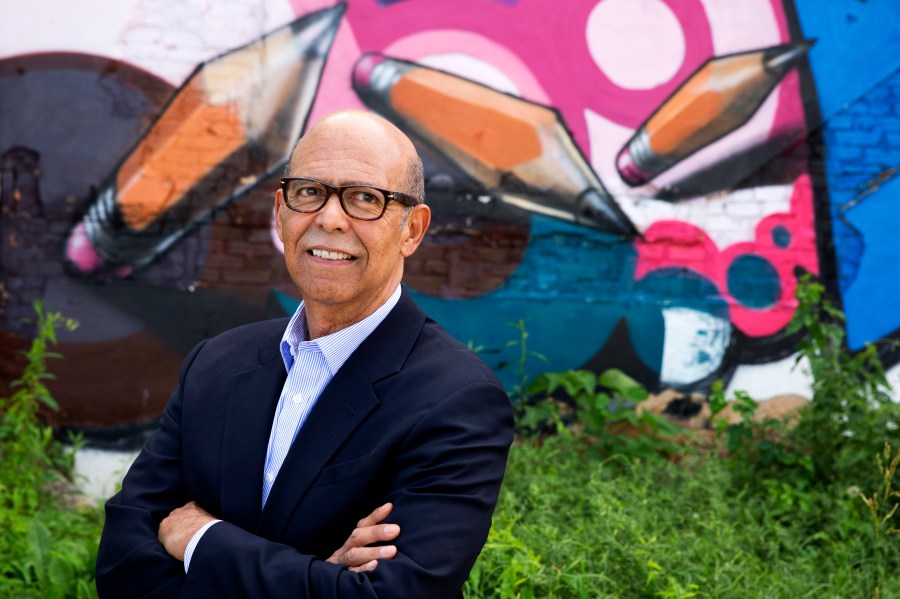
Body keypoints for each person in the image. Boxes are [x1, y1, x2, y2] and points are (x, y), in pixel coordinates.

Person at [95, 110, 514, 598]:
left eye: (365, 199)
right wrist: (320, 575)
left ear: (412, 230)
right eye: (309, 192)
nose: (330, 219)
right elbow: (122, 564)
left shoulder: (457, 400)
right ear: (281, 211)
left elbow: (393, 595)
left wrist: (202, 540)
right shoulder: (214, 363)